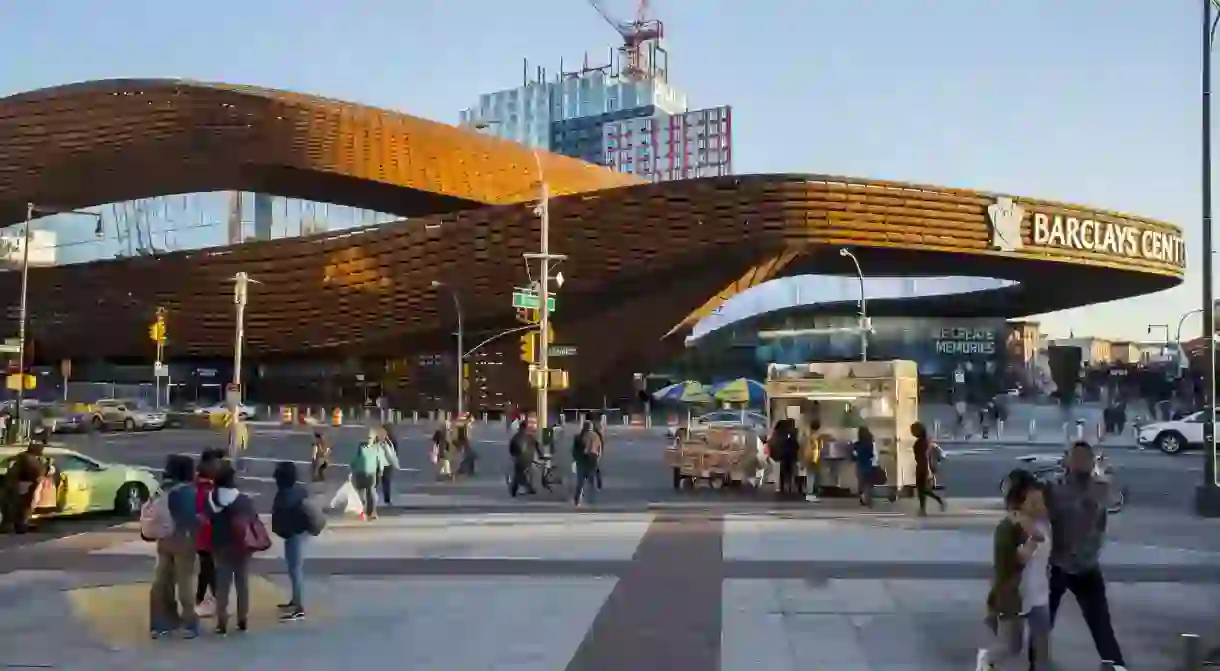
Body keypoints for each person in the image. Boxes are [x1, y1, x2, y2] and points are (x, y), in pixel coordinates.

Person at [1041, 441, 1126, 670]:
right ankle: (1037, 662)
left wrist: (1107, 478)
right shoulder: (1053, 488)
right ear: (1067, 460)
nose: (1080, 462)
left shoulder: (1100, 487)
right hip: (1057, 565)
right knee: (1043, 620)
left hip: (1087, 566)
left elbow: (1116, 501)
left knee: (1100, 623)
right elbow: (1038, 515)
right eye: (1075, 457)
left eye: (1085, 457)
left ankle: (1115, 665)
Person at [978, 469, 1052, 671]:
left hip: (1040, 595)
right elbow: (1010, 564)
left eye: (1042, 502)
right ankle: (986, 660)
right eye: (1035, 503)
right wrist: (1032, 541)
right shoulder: (1009, 528)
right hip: (1016, 596)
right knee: (1012, 646)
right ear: (1020, 502)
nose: (1041, 507)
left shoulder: (1044, 524)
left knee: (1041, 651)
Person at [149, 454, 201, 639]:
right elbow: (191, 518)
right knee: (185, 583)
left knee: (162, 582)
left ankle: (161, 624)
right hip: (184, 541)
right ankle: (190, 624)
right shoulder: (189, 491)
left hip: (164, 540)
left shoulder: (162, 489)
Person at [207, 462, 257, 635]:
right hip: (242, 547)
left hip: (220, 546)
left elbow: (208, 520)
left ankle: (221, 622)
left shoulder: (211, 498)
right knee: (242, 584)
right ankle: (242, 619)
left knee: (222, 585)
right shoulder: (244, 500)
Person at [271, 461, 310, 621]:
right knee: (294, 568)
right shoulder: (299, 490)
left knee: (295, 569)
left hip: (292, 533)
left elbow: (279, 513)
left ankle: (299, 607)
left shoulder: (284, 495)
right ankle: (295, 600)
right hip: (299, 532)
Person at [194, 449, 224, 618]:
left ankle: (200, 598)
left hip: (208, 533)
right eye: (215, 463)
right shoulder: (203, 487)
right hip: (205, 533)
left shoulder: (208, 484)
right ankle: (217, 600)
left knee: (206, 567)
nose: (217, 466)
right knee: (209, 567)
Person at [1, 443, 48, 534]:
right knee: (22, 508)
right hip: (23, 486)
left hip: (12, 484)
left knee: (11, 507)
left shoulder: (19, 457)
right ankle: (19, 526)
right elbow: (38, 474)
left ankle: (8, 526)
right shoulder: (31, 460)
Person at [911, 422, 946, 515]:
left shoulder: (920, 443)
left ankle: (925, 507)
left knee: (922, 489)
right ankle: (924, 508)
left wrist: (927, 470)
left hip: (923, 467)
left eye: (913, 430)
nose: (912, 432)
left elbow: (924, 457)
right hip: (924, 467)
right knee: (922, 489)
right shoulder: (926, 441)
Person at [349, 435, 385, 520]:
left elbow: (351, 465)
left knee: (360, 494)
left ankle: (361, 511)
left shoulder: (358, 456)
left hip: (359, 476)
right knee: (371, 493)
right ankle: (371, 512)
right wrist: (380, 473)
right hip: (370, 475)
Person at [508, 414, 540, 497]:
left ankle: (521, 489)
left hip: (519, 459)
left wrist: (513, 456)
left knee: (518, 474)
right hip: (529, 459)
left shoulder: (515, 437)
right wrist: (540, 455)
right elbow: (537, 446)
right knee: (521, 474)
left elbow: (511, 449)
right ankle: (526, 488)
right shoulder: (531, 437)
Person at [572, 420, 603, 506]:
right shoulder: (596, 436)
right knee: (591, 482)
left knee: (580, 483)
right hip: (592, 461)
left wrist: (576, 459)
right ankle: (592, 500)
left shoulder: (578, 437)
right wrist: (597, 458)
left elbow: (574, 451)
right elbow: (599, 449)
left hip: (581, 461)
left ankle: (577, 500)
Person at [371, 426, 400, 506]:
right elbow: (395, 452)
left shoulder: (379, 439)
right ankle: (386, 499)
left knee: (377, 481)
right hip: (385, 463)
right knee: (384, 481)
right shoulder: (392, 440)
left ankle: (372, 497)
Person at [852, 426, 876, 508]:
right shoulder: (870, 443)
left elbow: (854, 455)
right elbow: (872, 454)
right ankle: (868, 499)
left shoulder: (857, 444)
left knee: (861, 483)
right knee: (868, 483)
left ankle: (862, 498)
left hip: (860, 464)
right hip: (869, 464)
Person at [801, 419, 824, 502]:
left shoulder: (808, 436)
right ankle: (810, 494)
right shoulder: (817, 437)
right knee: (812, 477)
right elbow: (817, 449)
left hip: (808, 458)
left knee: (810, 477)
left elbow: (805, 449)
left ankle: (810, 494)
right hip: (814, 459)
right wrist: (815, 459)